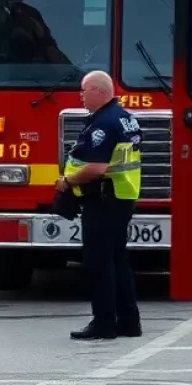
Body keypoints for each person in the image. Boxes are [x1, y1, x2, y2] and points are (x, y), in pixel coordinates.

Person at [55, 70, 142, 340]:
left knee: (99, 263)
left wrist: (67, 181)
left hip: (103, 200)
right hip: (122, 197)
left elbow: (96, 167)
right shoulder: (126, 119)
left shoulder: (103, 123)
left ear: (100, 92)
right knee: (118, 259)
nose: (80, 96)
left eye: (84, 90)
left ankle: (103, 323)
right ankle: (128, 322)